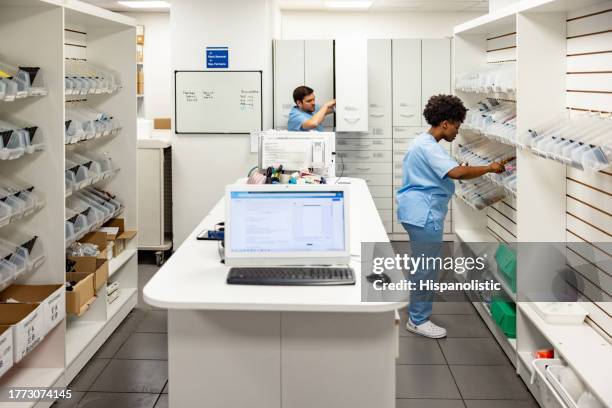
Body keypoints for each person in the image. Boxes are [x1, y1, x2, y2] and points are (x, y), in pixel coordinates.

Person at [397, 94, 508, 339]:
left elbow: (445, 170)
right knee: (427, 267)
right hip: (424, 213)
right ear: (445, 123)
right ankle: (418, 319)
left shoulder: (424, 142)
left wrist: (465, 168)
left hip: (416, 210)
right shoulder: (428, 146)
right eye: (457, 126)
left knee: (422, 264)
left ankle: (416, 307)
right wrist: (489, 167)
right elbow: (457, 173)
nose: (457, 131)